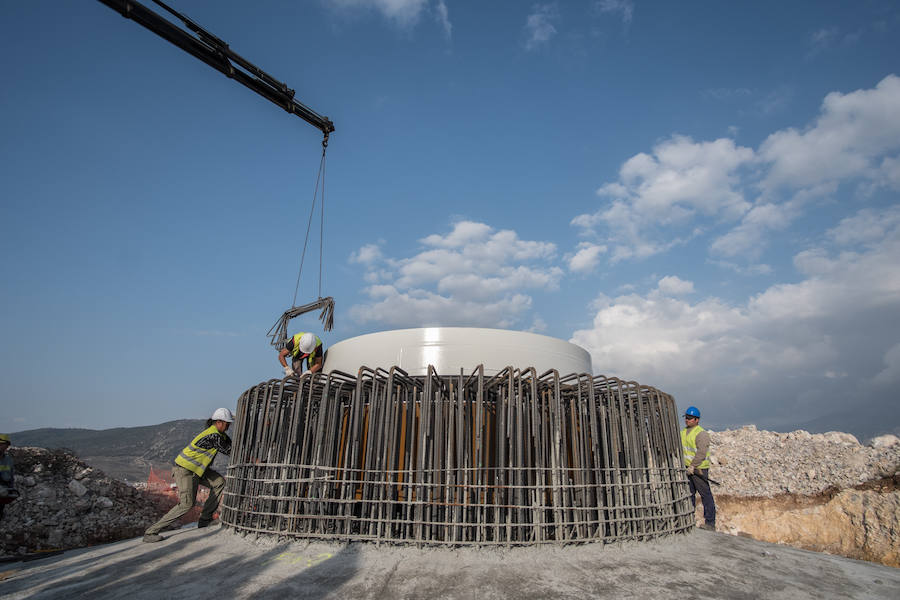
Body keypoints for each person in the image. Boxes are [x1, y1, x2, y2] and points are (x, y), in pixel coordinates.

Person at [143, 408, 234, 542]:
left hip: (197, 470)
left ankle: (205, 520)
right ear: (219, 422)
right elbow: (230, 451)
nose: (228, 426)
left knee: (219, 482)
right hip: (184, 470)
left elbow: (234, 447)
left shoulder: (221, 436)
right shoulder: (213, 436)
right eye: (227, 423)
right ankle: (151, 532)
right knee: (187, 504)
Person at [681, 406, 716, 531]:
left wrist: (693, 466)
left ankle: (710, 523)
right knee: (689, 494)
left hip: (699, 469)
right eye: (686, 418)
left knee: (705, 495)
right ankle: (689, 519)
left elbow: (701, 452)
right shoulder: (683, 432)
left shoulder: (701, 433)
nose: (687, 420)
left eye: (690, 418)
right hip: (687, 469)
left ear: (697, 420)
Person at [0, 433, 18, 522]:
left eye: (2, 444)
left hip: (4, 488)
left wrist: (11, 488)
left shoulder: (8, 460)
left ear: (7, 446)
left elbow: (11, 476)